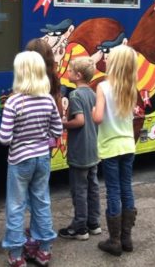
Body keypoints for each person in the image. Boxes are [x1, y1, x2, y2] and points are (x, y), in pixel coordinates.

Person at [0, 51, 63, 267]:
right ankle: (43, 250)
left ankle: (17, 254)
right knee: (41, 201)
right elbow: (57, 130)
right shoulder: (48, 100)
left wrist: (19, 137)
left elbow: (4, 138)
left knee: (16, 205)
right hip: (42, 158)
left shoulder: (14, 102)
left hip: (19, 160)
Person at [92, 44, 138, 257]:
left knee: (113, 190)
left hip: (111, 147)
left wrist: (93, 109)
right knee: (126, 188)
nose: (106, 58)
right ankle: (127, 238)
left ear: (115, 64)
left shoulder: (103, 87)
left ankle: (114, 240)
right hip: (128, 145)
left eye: (109, 56)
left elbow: (98, 118)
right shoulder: (131, 87)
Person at [58, 57, 101, 240]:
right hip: (93, 149)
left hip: (79, 150)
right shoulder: (92, 93)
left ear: (78, 75)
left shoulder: (75, 95)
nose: (67, 72)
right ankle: (94, 223)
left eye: (70, 70)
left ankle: (80, 227)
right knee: (93, 187)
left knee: (79, 190)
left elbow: (80, 121)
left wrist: (63, 124)